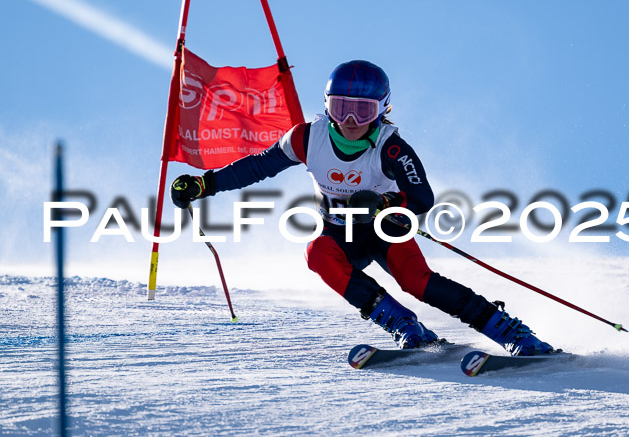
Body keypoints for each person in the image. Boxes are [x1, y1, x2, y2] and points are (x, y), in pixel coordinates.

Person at [170, 60, 556, 356]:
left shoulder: (390, 146)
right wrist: (205, 184)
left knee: (416, 281)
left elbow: (422, 199)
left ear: (382, 111)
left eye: (363, 111)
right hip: (340, 232)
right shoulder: (307, 137)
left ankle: (512, 334)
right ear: (326, 106)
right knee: (317, 253)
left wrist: (385, 202)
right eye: (340, 108)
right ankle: (407, 328)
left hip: (385, 229)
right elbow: (258, 166)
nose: (351, 121)